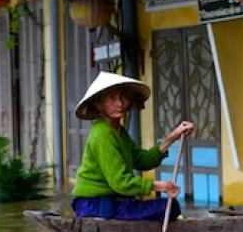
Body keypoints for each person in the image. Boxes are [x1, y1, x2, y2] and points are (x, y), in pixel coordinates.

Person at [71, 71, 194, 220]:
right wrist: (161, 186)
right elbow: (120, 183)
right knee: (168, 207)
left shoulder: (119, 131)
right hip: (96, 205)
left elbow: (143, 160)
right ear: (99, 104)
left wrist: (174, 136)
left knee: (170, 207)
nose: (120, 104)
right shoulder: (101, 134)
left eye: (123, 97)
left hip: (114, 201)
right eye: (113, 98)